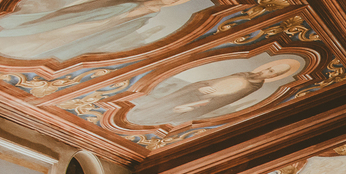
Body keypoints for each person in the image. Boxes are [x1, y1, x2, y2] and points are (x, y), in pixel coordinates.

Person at [0, 0, 202, 61]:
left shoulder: (153, 12)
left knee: (51, 43)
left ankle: (15, 53)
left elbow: (123, 28)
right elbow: (95, 5)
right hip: (85, 22)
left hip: (95, 32)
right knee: (42, 34)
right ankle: (6, 44)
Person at [126, 58, 301, 127]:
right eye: (269, 67)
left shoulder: (251, 87)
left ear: (276, 76)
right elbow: (209, 82)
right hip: (190, 92)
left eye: (271, 72)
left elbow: (219, 102)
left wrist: (191, 105)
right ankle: (137, 114)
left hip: (194, 102)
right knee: (161, 103)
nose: (266, 71)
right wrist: (200, 87)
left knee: (168, 109)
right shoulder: (244, 74)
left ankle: (142, 119)